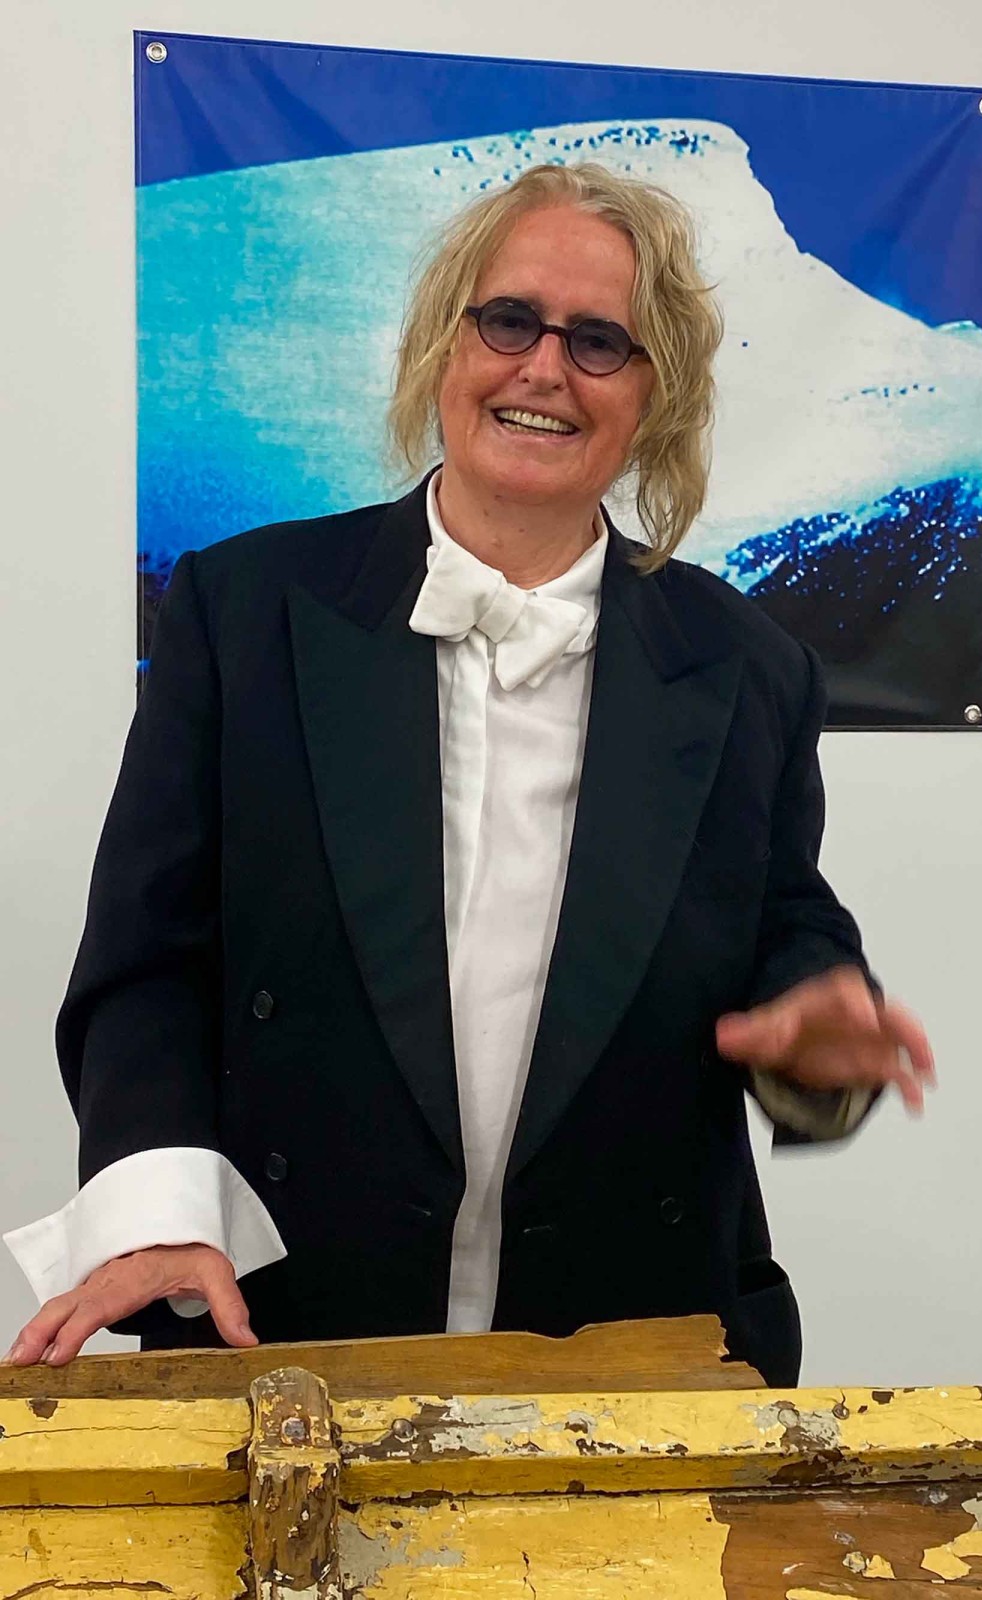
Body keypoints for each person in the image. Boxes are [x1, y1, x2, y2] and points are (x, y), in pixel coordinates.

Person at [2, 163, 933, 1384]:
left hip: (629, 1344)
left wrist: (816, 1035)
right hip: (276, 1323)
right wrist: (156, 1211)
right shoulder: (245, 610)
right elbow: (146, 960)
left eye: (600, 342)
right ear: (445, 344)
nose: (544, 368)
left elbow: (783, 926)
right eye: (509, 321)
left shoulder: (749, 665)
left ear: (654, 396)